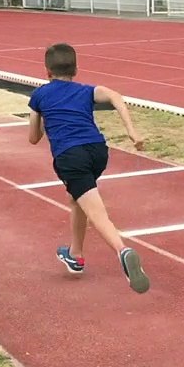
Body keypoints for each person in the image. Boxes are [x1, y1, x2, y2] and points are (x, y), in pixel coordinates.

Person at [28, 43, 150, 293]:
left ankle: (122, 251)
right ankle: (76, 255)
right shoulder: (85, 91)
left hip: (70, 156)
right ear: (76, 70)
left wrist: (43, 115)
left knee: (97, 213)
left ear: (47, 71)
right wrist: (132, 131)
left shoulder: (39, 95)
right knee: (77, 199)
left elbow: (33, 138)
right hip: (97, 151)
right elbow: (115, 96)